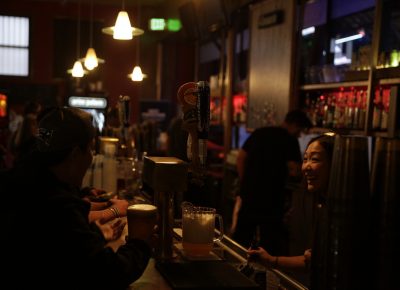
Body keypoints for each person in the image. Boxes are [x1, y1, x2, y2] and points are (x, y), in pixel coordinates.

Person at [0, 107, 156, 290]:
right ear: (74, 154)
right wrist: (141, 241)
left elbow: (60, 248)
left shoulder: (17, 180)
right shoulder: (58, 205)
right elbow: (109, 273)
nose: (91, 157)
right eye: (90, 148)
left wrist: (95, 233)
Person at [247, 134, 335, 287]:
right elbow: (310, 261)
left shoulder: (340, 211)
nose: (306, 167)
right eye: (305, 159)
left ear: (335, 163)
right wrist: (269, 260)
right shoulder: (322, 204)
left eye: (314, 159)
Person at [233, 109, 313, 257]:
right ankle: (265, 276)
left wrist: (245, 181)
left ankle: (234, 268)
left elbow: (240, 158)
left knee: (241, 237)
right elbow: (295, 170)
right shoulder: (290, 140)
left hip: (250, 194)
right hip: (271, 198)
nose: (300, 135)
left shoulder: (260, 132)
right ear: (295, 125)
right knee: (269, 243)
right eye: (300, 131)